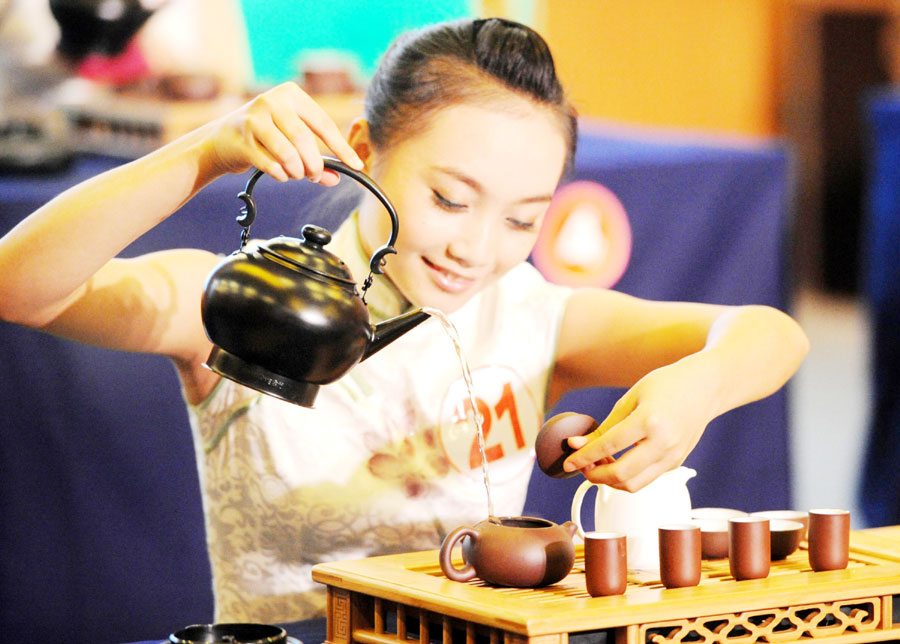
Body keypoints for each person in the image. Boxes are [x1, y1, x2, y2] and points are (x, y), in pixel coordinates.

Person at [0, 17, 808, 627]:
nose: (478, 249)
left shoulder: (530, 315)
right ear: (364, 149)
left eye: (522, 219)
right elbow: (19, 287)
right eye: (450, 200)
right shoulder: (255, 304)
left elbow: (768, 334)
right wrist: (206, 153)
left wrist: (698, 388)